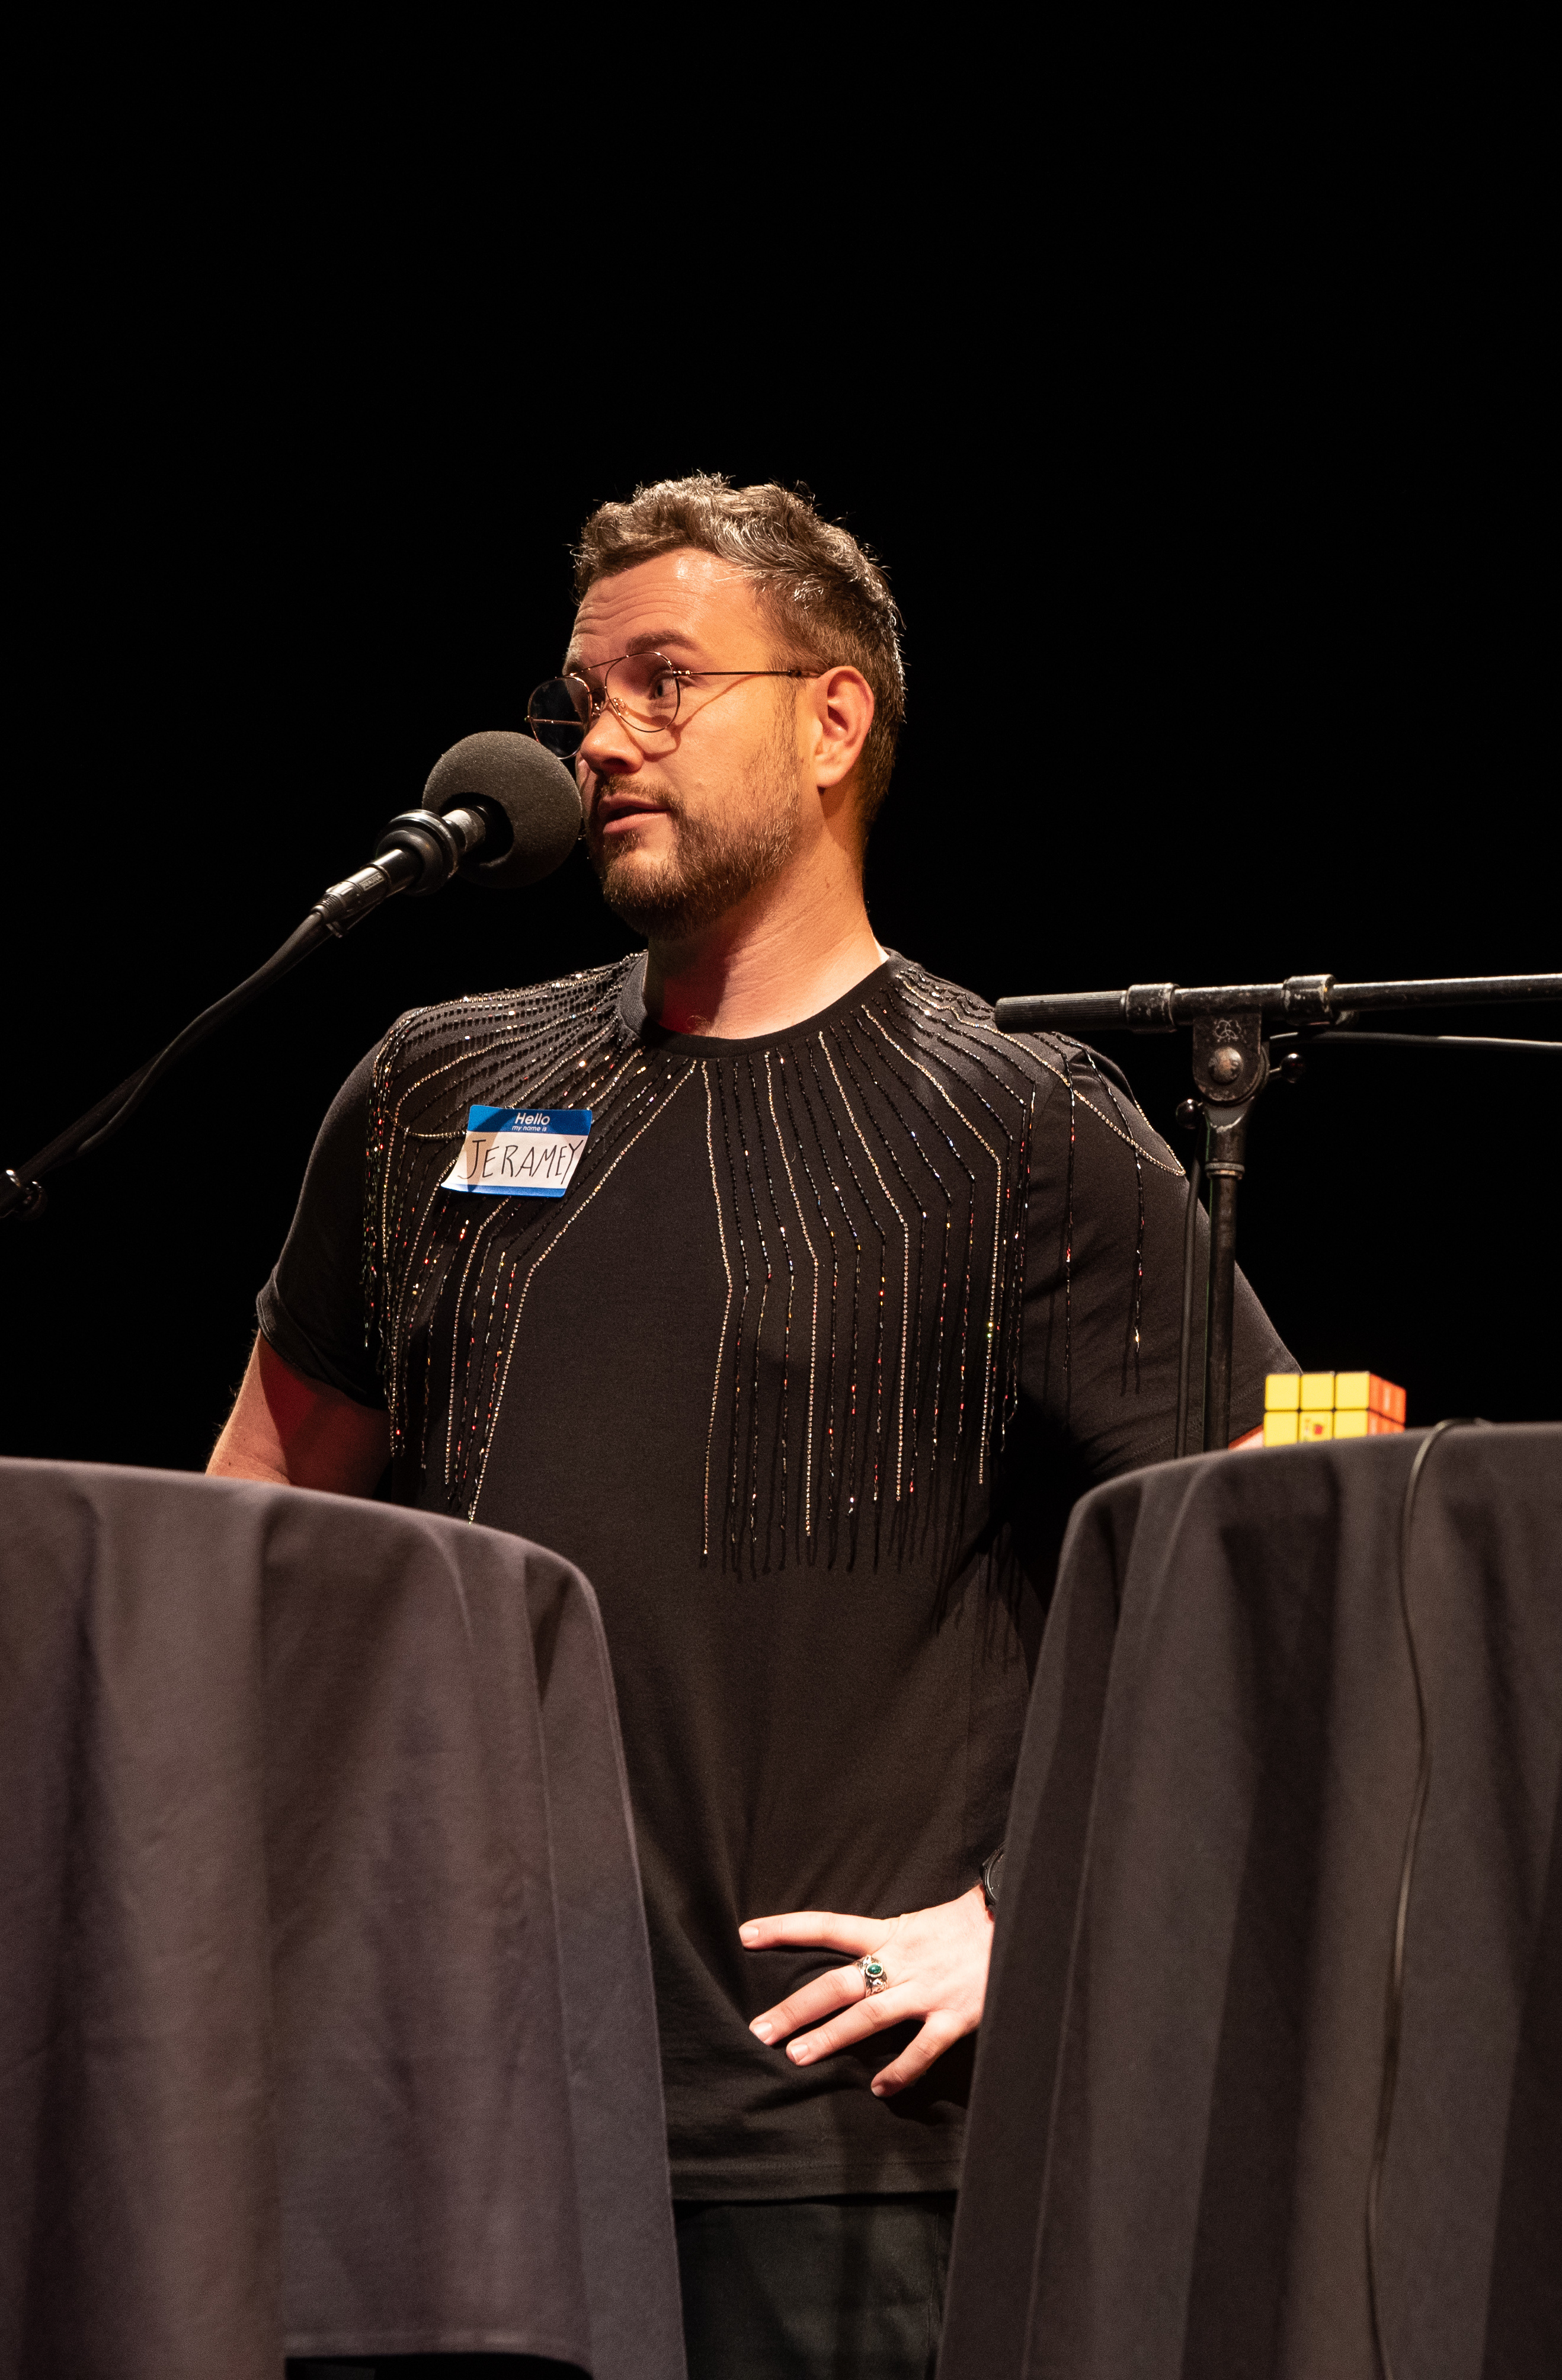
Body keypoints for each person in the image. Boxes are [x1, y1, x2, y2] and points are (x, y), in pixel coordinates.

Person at [211, 475, 1290, 2379]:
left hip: (817, 2147)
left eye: (663, 682)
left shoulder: (1012, 1122)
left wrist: (1026, 1915)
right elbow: (264, 1507)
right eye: (579, 697)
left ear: (832, 718)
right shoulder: (432, 1087)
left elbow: (1285, 1548)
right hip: (428, 2105)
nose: (602, 737)